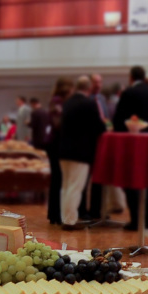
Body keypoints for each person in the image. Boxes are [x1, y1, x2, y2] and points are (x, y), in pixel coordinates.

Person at [111, 66, 148, 231]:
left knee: (132, 181)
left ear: (131, 77)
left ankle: (136, 219)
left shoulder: (128, 93)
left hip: (132, 145)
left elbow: (119, 120)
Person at [57, 76, 107, 228]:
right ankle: (70, 220)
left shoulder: (68, 102)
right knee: (75, 187)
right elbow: (99, 127)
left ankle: (65, 217)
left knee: (65, 186)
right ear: (89, 88)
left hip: (63, 150)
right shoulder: (89, 103)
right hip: (80, 152)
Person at [46, 78, 74, 225]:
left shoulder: (56, 101)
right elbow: (58, 123)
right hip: (56, 143)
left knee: (58, 179)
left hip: (55, 143)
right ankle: (55, 214)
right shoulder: (58, 101)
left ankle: (55, 214)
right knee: (58, 179)